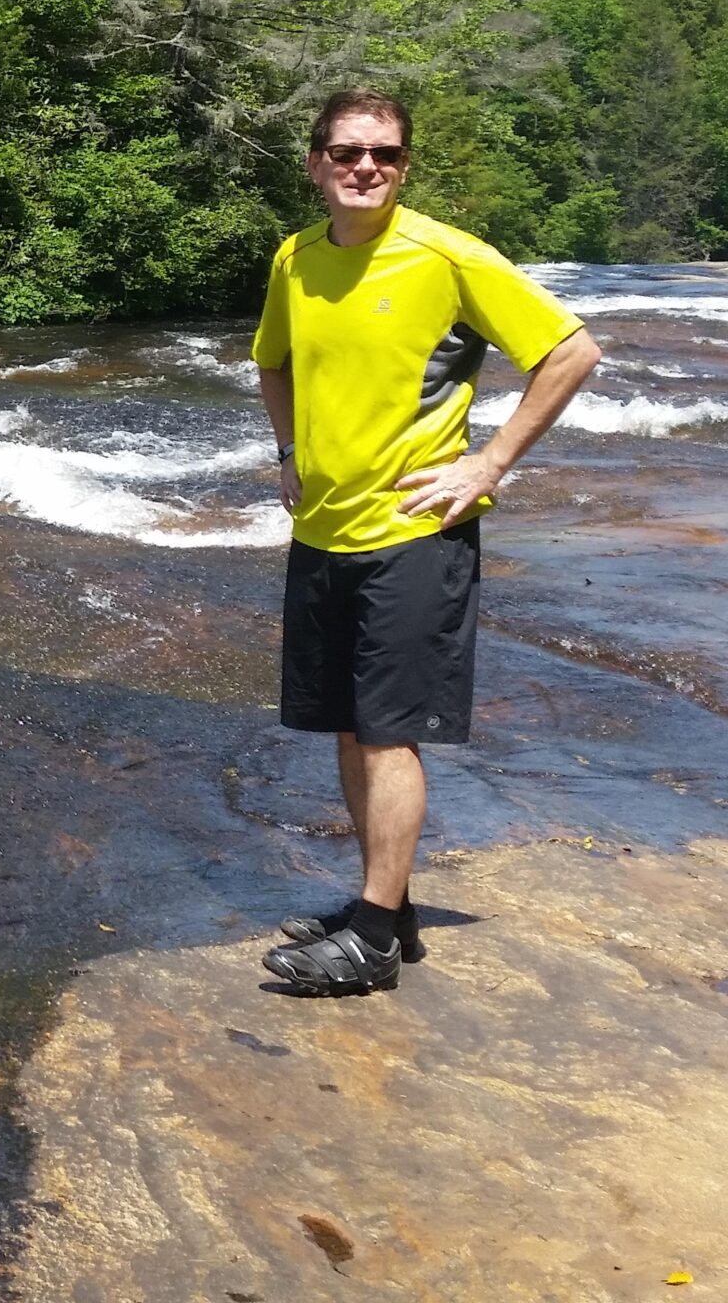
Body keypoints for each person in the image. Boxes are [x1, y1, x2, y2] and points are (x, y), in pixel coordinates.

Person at [250, 89, 602, 997]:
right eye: (348, 152)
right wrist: (287, 452)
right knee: (345, 725)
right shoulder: (295, 259)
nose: (367, 167)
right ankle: (387, 906)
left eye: (387, 155)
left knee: (388, 735)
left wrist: (488, 464)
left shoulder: (446, 256)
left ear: (405, 166)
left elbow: (569, 352)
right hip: (322, 529)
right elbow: (273, 361)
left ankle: (370, 942)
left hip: (415, 533)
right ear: (315, 162)